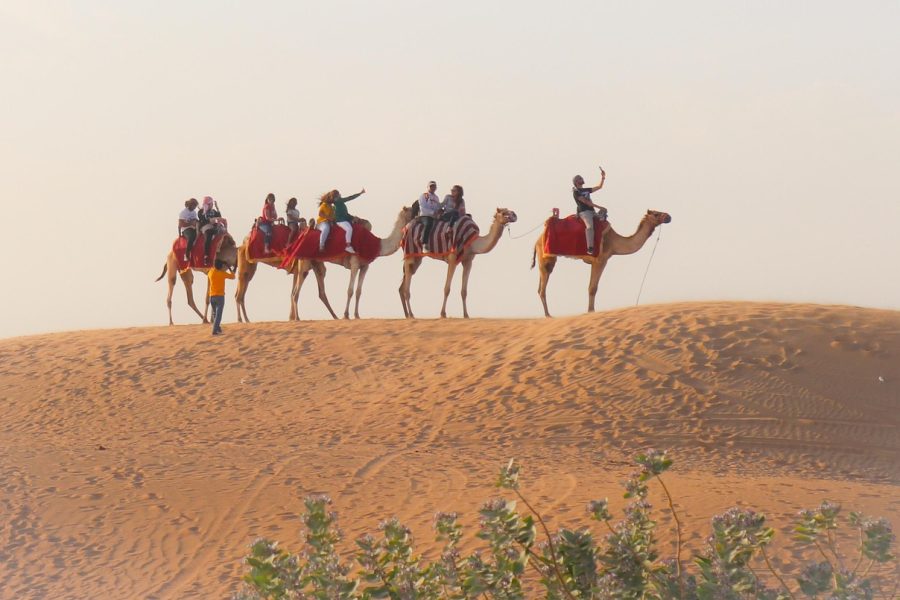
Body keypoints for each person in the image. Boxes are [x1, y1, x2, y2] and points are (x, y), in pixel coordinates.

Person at [572, 167, 606, 255]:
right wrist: (600, 207)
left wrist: (603, 178)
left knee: (604, 213)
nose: (582, 179)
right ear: (576, 182)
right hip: (585, 212)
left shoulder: (585, 190)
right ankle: (590, 248)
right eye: (580, 178)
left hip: (592, 211)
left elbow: (599, 187)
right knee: (590, 227)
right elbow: (586, 202)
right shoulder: (576, 192)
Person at [331, 187, 366, 253]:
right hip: (340, 221)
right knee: (349, 229)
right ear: (337, 195)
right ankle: (348, 246)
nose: (340, 194)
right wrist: (360, 193)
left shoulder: (340, 202)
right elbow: (350, 198)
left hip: (344, 219)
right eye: (339, 194)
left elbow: (345, 214)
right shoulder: (338, 201)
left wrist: (352, 217)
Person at [207, 259, 235, 335]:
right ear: (221, 267)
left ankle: (218, 328)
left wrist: (220, 263)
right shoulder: (222, 273)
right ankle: (214, 331)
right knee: (218, 315)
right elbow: (233, 277)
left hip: (212, 296)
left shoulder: (211, 272)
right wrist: (228, 267)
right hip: (220, 297)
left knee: (214, 314)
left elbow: (212, 267)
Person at [199, 196, 228, 265]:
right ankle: (206, 256)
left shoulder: (213, 211)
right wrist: (211, 219)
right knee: (208, 235)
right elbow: (203, 219)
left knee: (224, 232)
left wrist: (217, 208)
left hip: (215, 225)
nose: (212, 205)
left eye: (212, 204)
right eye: (210, 204)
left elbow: (219, 217)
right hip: (206, 226)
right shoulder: (201, 211)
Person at [417, 181, 440, 251]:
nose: (432, 188)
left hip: (434, 216)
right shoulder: (424, 195)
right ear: (428, 187)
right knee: (429, 223)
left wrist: (439, 211)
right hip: (425, 216)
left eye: (434, 186)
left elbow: (437, 207)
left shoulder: (436, 197)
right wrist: (432, 212)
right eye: (431, 186)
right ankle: (424, 243)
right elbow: (422, 208)